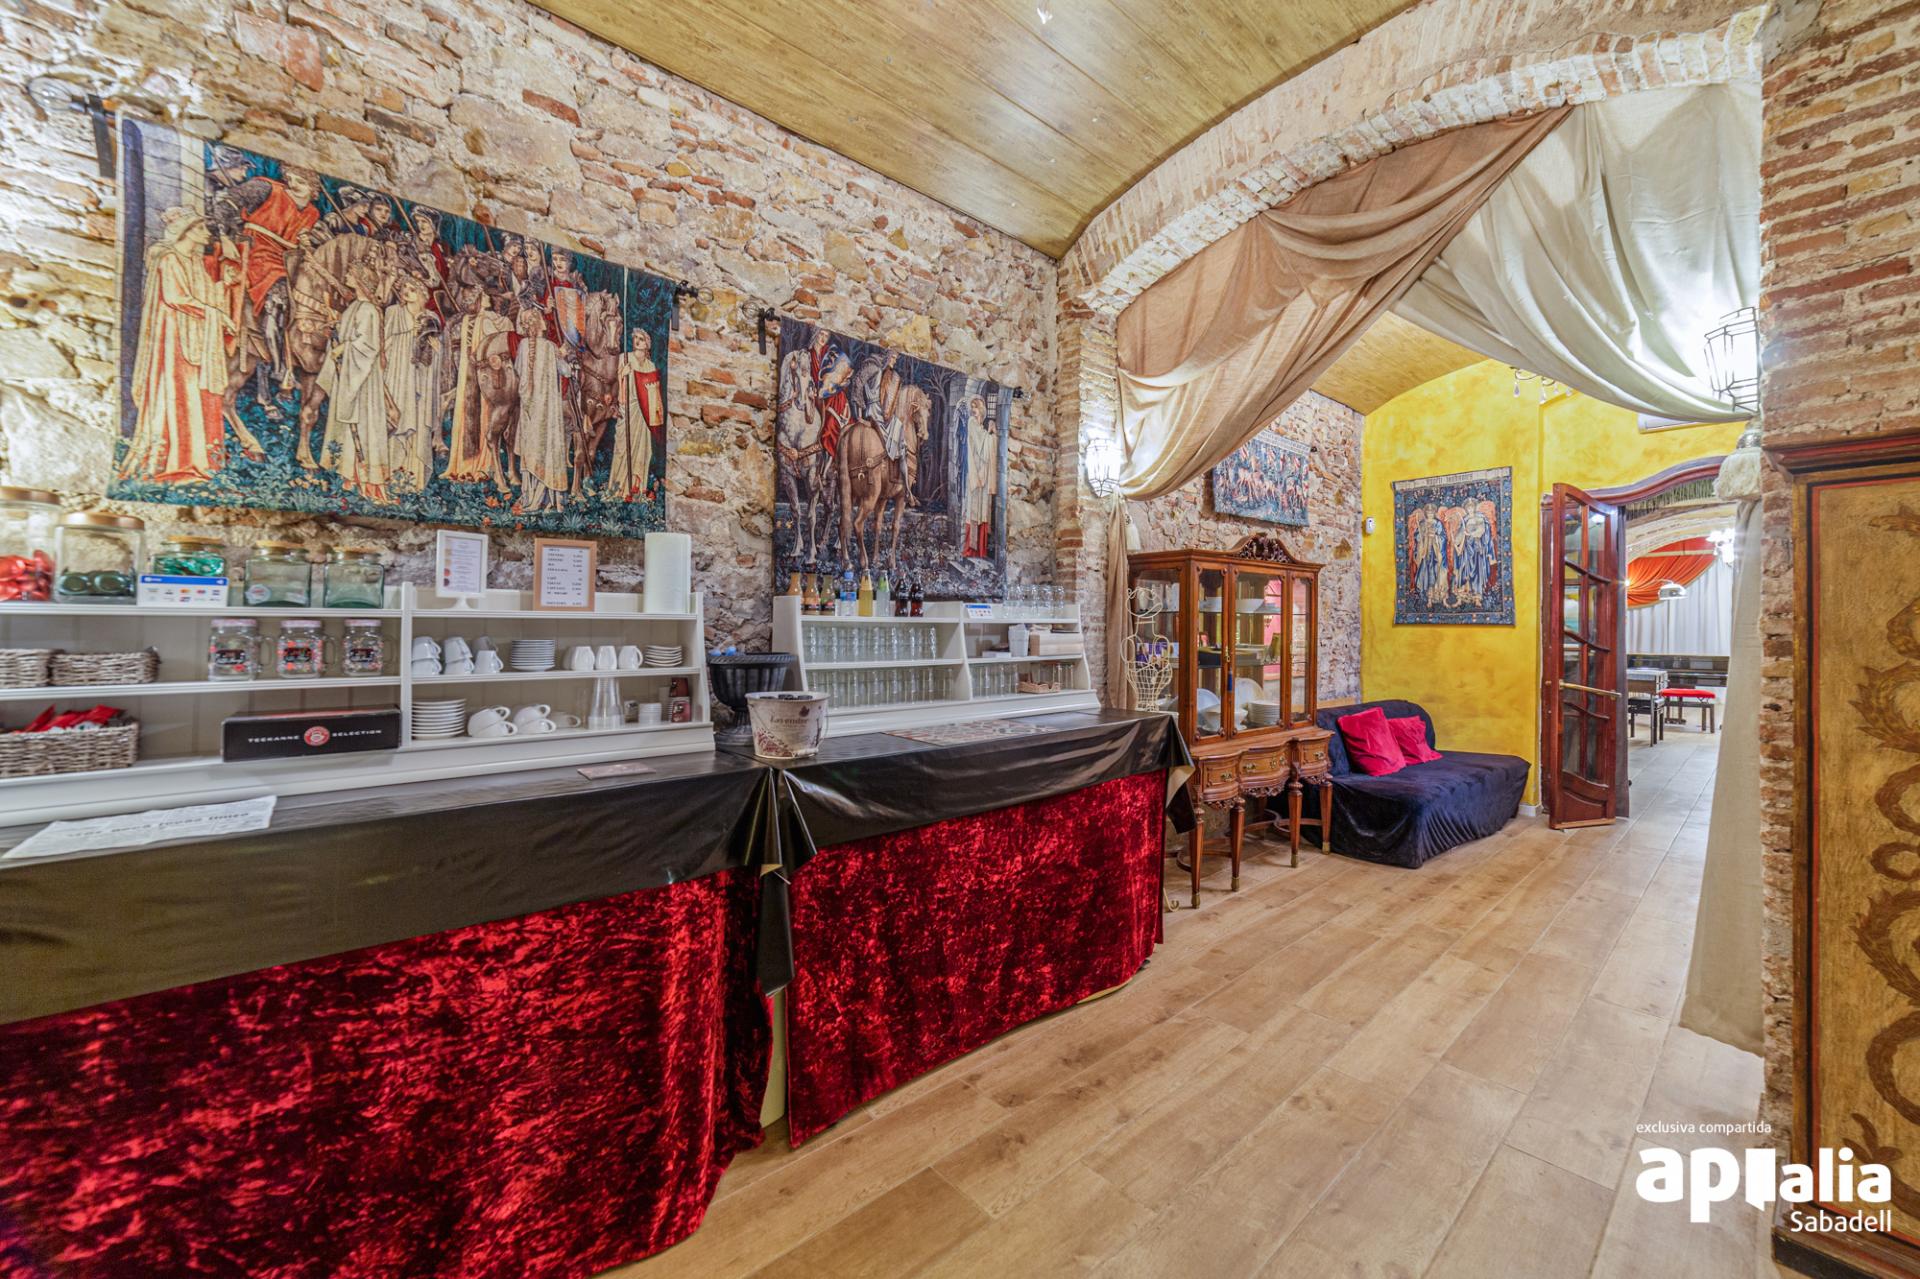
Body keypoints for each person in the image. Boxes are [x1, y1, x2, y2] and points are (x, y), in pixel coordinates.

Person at [119, 209, 240, 484]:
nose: (207, 234)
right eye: (201, 229)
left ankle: (202, 459)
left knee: (199, 392)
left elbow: (205, 295)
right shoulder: (169, 259)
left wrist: (224, 285)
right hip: (174, 336)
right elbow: (176, 297)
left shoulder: (195, 261)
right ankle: (179, 461)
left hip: (197, 334)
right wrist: (217, 315)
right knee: (181, 392)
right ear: (187, 232)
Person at [314, 260, 392, 502]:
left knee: (364, 426)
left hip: (363, 381)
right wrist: (335, 331)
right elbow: (347, 336)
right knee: (347, 428)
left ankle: (369, 481)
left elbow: (368, 346)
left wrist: (344, 348)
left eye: (350, 273)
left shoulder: (368, 309)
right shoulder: (354, 307)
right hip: (350, 375)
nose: (346, 275)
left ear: (360, 279)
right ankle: (350, 476)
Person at [443, 290, 514, 484]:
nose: (488, 297)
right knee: (482, 414)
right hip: (481, 373)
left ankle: (468, 465)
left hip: (471, 371)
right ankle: (479, 465)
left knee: (473, 414)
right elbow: (504, 332)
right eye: (484, 296)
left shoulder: (471, 320)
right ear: (478, 301)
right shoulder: (487, 320)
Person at [382, 276, 442, 494]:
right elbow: (384, 344)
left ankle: (414, 479)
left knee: (418, 422)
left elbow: (437, 352)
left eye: (412, 288)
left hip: (421, 380)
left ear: (422, 293)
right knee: (397, 422)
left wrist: (436, 348)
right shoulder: (393, 313)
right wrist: (409, 333)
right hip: (398, 375)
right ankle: (392, 476)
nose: (406, 291)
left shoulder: (431, 317)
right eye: (404, 288)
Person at [512, 306, 571, 512]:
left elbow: (519, 371)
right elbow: (566, 371)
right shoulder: (550, 347)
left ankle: (529, 496)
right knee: (546, 449)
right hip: (546, 411)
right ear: (539, 324)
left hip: (529, 410)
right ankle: (546, 498)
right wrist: (564, 355)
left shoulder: (523, 346)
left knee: (531, 449)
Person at [609, 328, 663, 502]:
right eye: (635, 338)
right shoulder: (625, 358)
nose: (637, 341)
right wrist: (621, 375)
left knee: (642, 451)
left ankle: (636, 489)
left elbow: (654, 396)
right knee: (623, 447)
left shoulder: (650, 366)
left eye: (641, 339)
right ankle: (618, 489)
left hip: (643, 414)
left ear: (647, 344)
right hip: (628, 408)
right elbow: (616, 388)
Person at [963, 392, 998, 558]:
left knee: (982, 510)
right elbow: (981, 447)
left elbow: (984, 445)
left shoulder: (980, 428)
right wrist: (991, 434)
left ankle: (981, 550)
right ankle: (972, 549)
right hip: (975, 473)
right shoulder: (972, 423)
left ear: (982, 409)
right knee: (974, 510)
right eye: (972, 407)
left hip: (983, 472)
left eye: (976, 407)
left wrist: (990, 433)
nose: (974, 410)